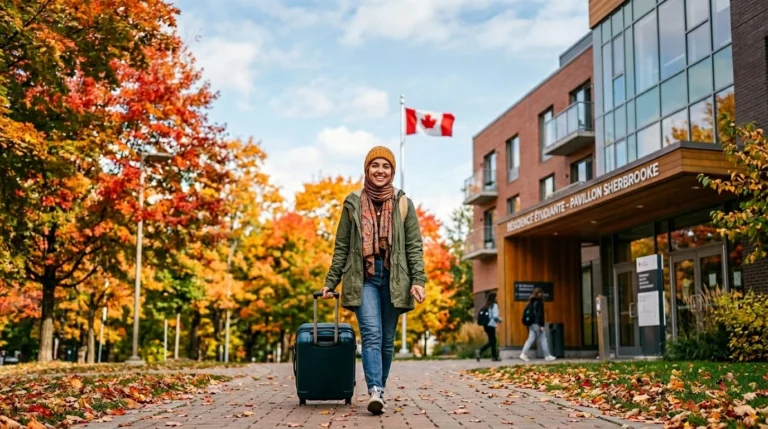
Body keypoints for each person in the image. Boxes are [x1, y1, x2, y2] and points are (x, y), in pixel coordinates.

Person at [321, 146, 427, 416]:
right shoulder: (352, 202)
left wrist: (418, 280)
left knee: (387, 340)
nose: (380, 170)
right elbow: (342, 245)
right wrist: (331, 281)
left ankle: (380, 387)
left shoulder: (404, 203)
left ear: (391, 171)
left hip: (395, 278)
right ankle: (375, 391)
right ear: (367, 169)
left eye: (386, 166)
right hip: (363, 276)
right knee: (372, 334)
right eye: (375, 165)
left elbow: (414, 246)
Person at [520, 287, 556, 362]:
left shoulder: (531, 302)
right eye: (541, 293)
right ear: (539, 293)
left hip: (531, 324)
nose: (542, 295)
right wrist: (541, 325)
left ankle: (523, 354)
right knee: (543, 339)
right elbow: (539, 315)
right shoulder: (539, 302)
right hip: (537, 324)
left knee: (530, 339)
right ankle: (547, 356)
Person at [476, 292, 502, 361]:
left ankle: (494, 357)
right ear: (494, 298)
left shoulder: (486, 306)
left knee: (492, 340)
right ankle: (480, 350)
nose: (497, 298)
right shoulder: (494, 305)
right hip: (491, 325)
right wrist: (500, 320)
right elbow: (495, 316)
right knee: (492, 341)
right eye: (496, 296)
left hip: (485, 325)